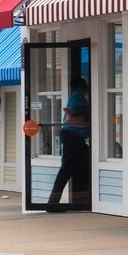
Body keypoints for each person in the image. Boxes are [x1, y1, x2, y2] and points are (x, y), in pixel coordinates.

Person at [46, 74, 92, 209]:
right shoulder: (78, 98)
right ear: (81, 86)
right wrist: (89, 110)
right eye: (85, 85)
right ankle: (53, 204)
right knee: (66, 170)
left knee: (81, 167)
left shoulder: (75, 97)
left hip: (73, 137)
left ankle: (81, 199)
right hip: (73, 137)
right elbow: (76, 112)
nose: (87, 87)